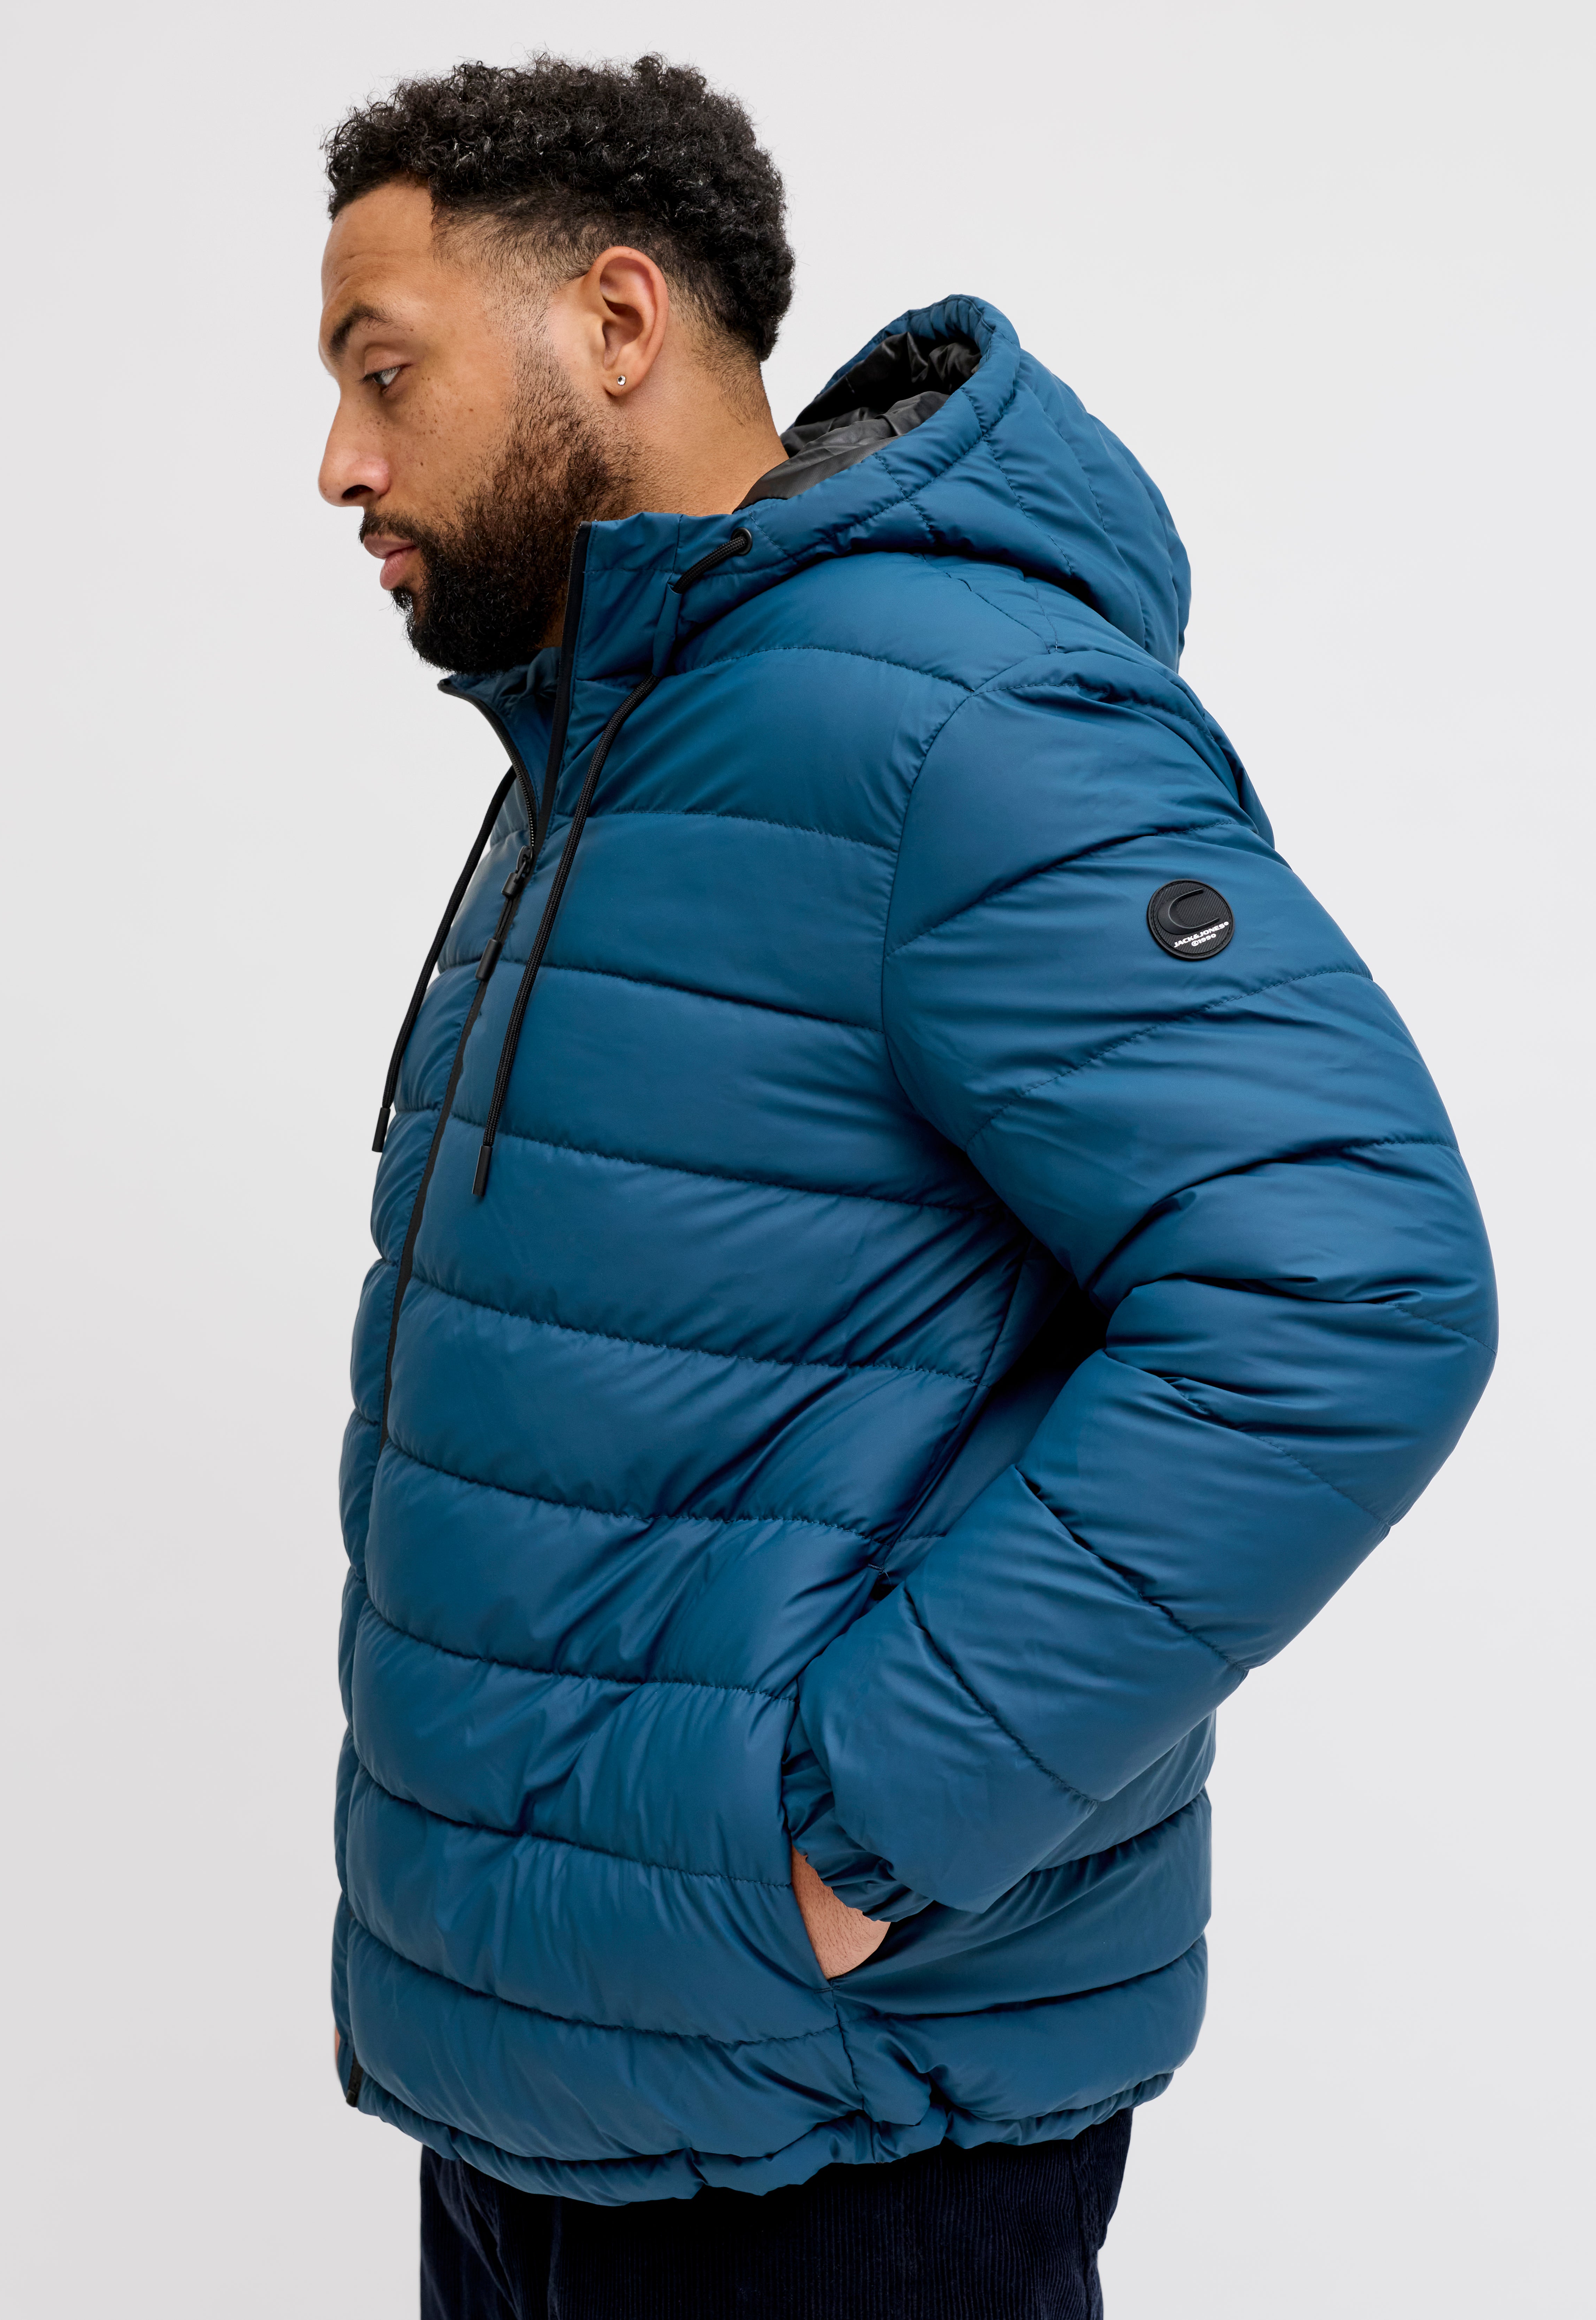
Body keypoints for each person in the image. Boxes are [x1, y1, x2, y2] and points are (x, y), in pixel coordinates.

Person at [315, 54, 1496, 2319]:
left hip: (836, 2148)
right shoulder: (612, 743)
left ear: (618, 321)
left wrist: (852, 1837)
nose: (343, 461)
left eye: (387, 372)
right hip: (544, 2103)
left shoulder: (955, 721)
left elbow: (1351, 1292)